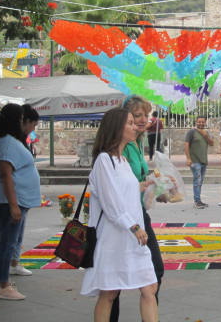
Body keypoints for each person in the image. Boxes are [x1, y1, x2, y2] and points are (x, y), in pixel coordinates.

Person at [80, 108, 158, 322]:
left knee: (149, 287)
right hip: (115, 236)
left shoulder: (122, 161)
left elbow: (124, 192)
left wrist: (143, 186)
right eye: (131, 123)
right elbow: (111, 201)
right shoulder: (104, 161)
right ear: (116, 127)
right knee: (109, 293)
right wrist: (133, 226)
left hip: (133, 236)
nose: (136, 126)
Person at [113, 95, 164, 321]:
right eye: (137, 116)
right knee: (113, 281)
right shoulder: (117, 146)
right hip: (122, 218)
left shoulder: (138, 141)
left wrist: (157, 188)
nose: (143, 120)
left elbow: (139, 176)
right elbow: (117, 186)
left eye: (146, 115)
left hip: (139, 213)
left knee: (155, 271)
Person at [0, 103, 41, 300]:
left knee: (6, 241)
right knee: (7, 242)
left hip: (12, 199)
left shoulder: (4, 141)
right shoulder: (7, 143)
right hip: (9, 200)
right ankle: (3, 284)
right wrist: (14, 205)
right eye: (21, 119)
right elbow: (5, 174)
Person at [7, 103, 40, 277]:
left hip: (23, 196)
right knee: (12, 235)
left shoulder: (20, 141)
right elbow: (7, 174)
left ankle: (13, 262)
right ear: (24, 121)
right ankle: (1, 276)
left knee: (16, 234)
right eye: (33, 125)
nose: (33, 129)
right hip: (18, 197)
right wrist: (14, 203)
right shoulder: (12, 142)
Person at [185, 115, 214, 209]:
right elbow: (186, 146)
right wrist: (188, 158)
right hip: (194, 161)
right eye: (199, 121)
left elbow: (211, 143)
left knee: (200, 181)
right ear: (196, 122)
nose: (201, 123)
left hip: (203, 161)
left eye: (202, 122)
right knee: (197, 181)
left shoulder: (207, 132)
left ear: (205, 122)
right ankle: (197, 201)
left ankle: (198, 200)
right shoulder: (191, 132)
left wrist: (205, 136)